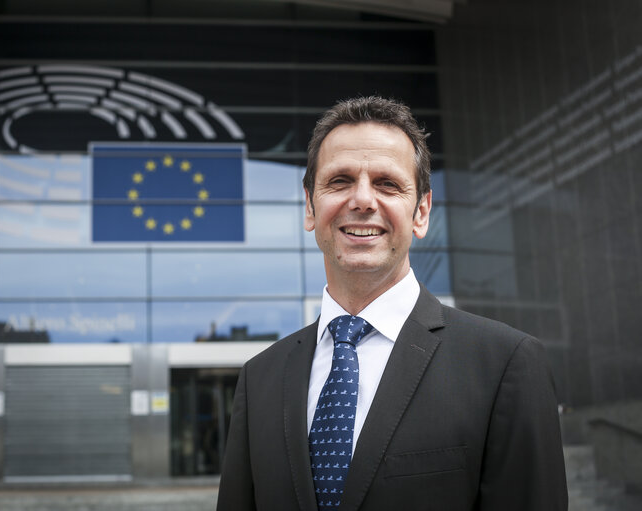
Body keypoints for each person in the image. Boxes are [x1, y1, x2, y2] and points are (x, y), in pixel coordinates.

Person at [217, 96, 567, 511]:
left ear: (421, 212)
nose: (363, 200)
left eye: (387, 184)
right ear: (310, 206)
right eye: (340, 181)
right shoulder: (260, 379)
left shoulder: (506, 365)